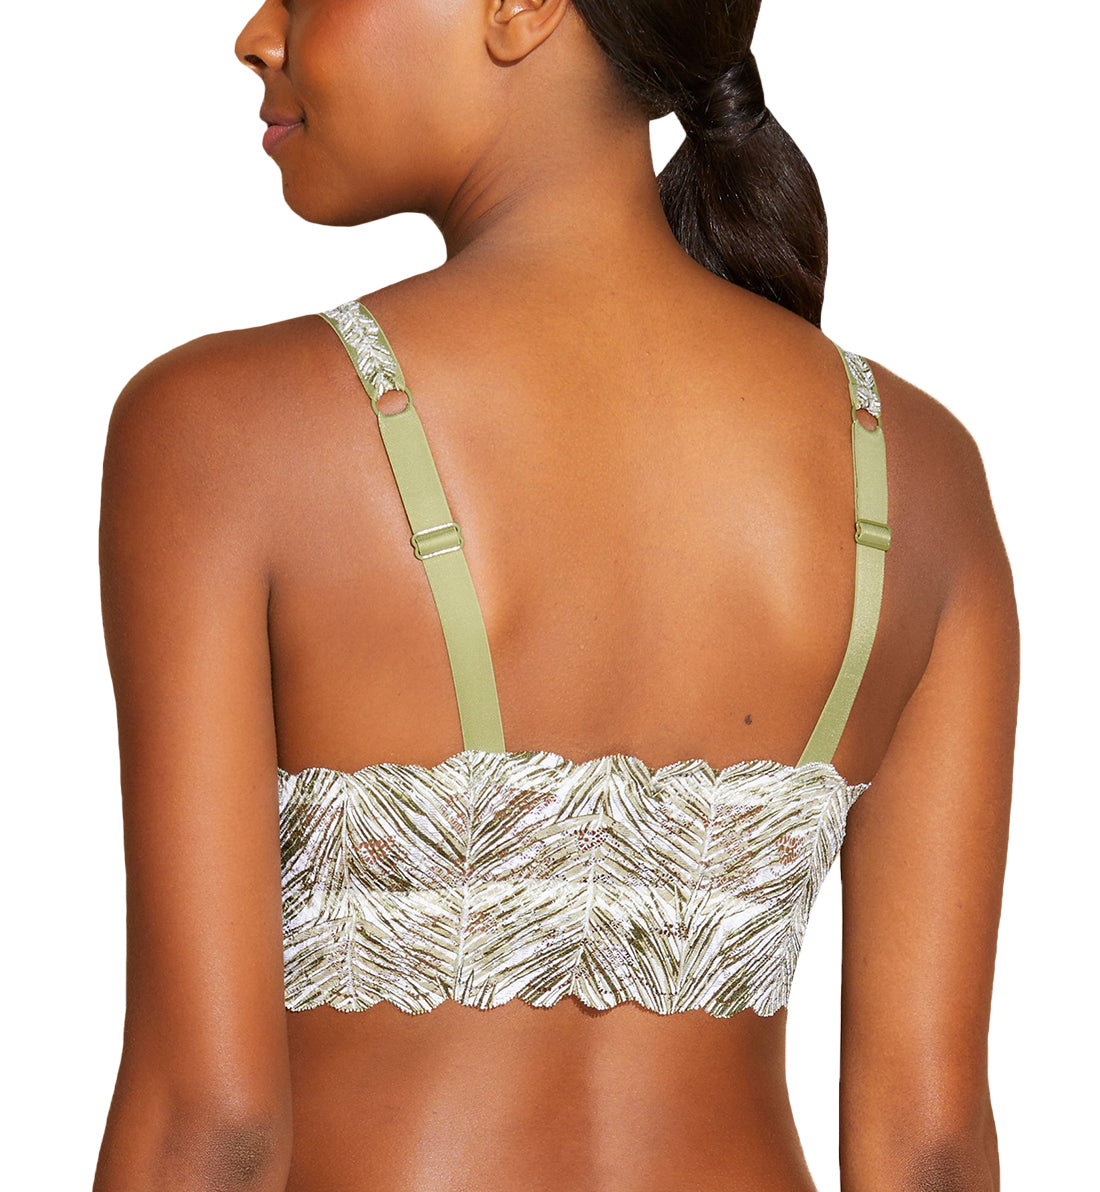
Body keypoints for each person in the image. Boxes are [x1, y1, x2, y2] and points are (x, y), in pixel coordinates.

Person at [92, 1, 1017, 1189]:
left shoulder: (224, 431)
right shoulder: (917, 470)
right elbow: (927, 1144)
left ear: (522, 5)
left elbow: (208, 1123)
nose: (259, 33)